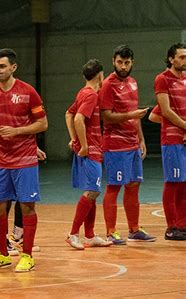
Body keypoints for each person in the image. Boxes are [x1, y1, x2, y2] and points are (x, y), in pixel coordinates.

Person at [0, 48, 47, 273]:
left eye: (2, 66)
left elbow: (43, 124)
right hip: (0, 160)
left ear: (13, 67)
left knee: (27, 207)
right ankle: (1, 254)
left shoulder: (28, 92)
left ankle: (27, 255)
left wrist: (17, 131)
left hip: (25, 159)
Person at [99, 45, 155, 244]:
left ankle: (134, 229)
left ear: (132, 63)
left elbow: (136, 115)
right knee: (114, 187)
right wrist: (132, 115)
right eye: (120, 62)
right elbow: (106, 116)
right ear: (113, 61)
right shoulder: (107, 84)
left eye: (127, 62)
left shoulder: (133, 82)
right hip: (115, 145)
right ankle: (111, 232)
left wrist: (141, 139)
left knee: (133, 185)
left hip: (132, 144)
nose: (123, 66)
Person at [65, 58, 112, 250]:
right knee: (93, 191)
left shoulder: (82, 93)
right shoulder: (91, 95)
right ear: (100, 75)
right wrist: (83, 145)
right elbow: (77, 118)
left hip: (91, 148)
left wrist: (73, 139)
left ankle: (90, 235)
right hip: (91, 149)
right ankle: (73, 233)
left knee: (93, 191)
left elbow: (68, 113)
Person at [154, 42, 186, 241]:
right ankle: (171, 226)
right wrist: (184, 126)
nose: (184, 60)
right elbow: (164, 111)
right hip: (172, 139)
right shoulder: (162, 79)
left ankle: (182, 224)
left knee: (184, 183)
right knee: (173, 182)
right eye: (181, 57)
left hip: (184, 136)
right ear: (171, 59)